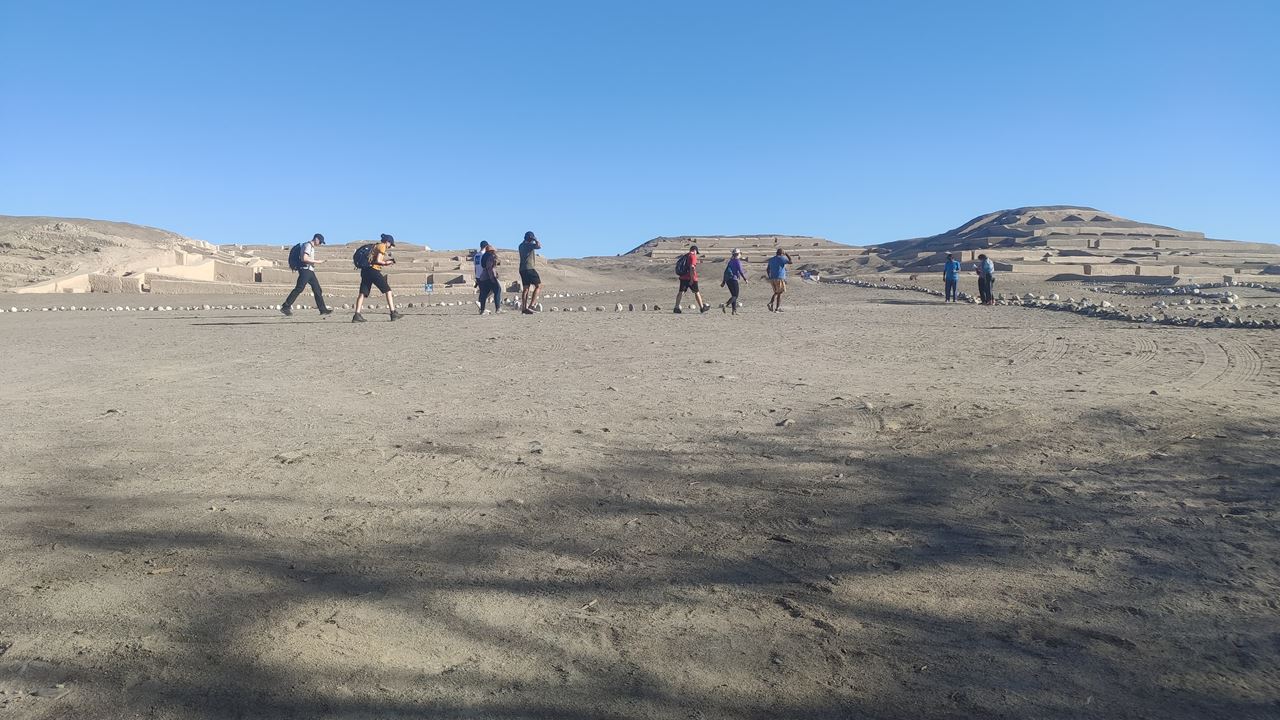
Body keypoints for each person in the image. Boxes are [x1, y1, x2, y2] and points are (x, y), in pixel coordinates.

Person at [352, 233, 403, 323]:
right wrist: (387, 263)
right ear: (387, 242)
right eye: (390, 244)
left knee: (362, 293)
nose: (390, 247)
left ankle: (357, 315)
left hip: (365, 271)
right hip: (373, 271)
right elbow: (378, 261)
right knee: (388, 290)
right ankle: (393, 313)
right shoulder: (382, 246)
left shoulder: (375, 246)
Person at [281, 233, 333, 316]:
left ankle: (323, 309)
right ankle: (285, 307)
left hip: (310, 270)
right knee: (299, 288)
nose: (320, 244)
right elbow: (304, 258)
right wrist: (318, 262)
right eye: (320, 242)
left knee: (317, 289)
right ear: (316, 239)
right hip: (305, 270)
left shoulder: (310, 246)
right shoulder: (308, 245)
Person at [673, 244, 709, 314]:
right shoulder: (693, 256)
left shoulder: (686, 256)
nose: (696, 254)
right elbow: (692, 267)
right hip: (691, 277)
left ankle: (676, 307)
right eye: (696, 252)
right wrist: (692, 279)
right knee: (696, 292)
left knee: (681, 292)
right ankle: (702, 308)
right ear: (695, 250)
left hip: (683, 277)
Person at [518, 231, 542, 314]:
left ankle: (524, 308)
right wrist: (536, 239)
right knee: (538, 286)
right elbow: (539, 246)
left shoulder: (521, 245)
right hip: (530, 268)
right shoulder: (529, 245)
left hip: (522, 269)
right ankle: (531, 306)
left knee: (525, 288)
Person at [721, 248, 747, 314]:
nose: (741, 254)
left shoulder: (731, 261)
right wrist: (745, 279)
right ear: (738, 254)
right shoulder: (737, 261)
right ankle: (726, 305)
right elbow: (741, 271)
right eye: (740, 253)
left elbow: (725, 271)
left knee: (733, 295)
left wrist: (723, 281)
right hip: (733, 279)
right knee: (735, 296)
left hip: (728, 280)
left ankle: (734, 311)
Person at [478, 244, 502, 314]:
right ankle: (498, 308)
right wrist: (492, 278)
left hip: (483, 277)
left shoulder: (484, 256)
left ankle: (482, 310)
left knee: (484, 293)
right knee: (498, 290)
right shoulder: (491, 256)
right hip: (490, 277)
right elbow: (490, 268)